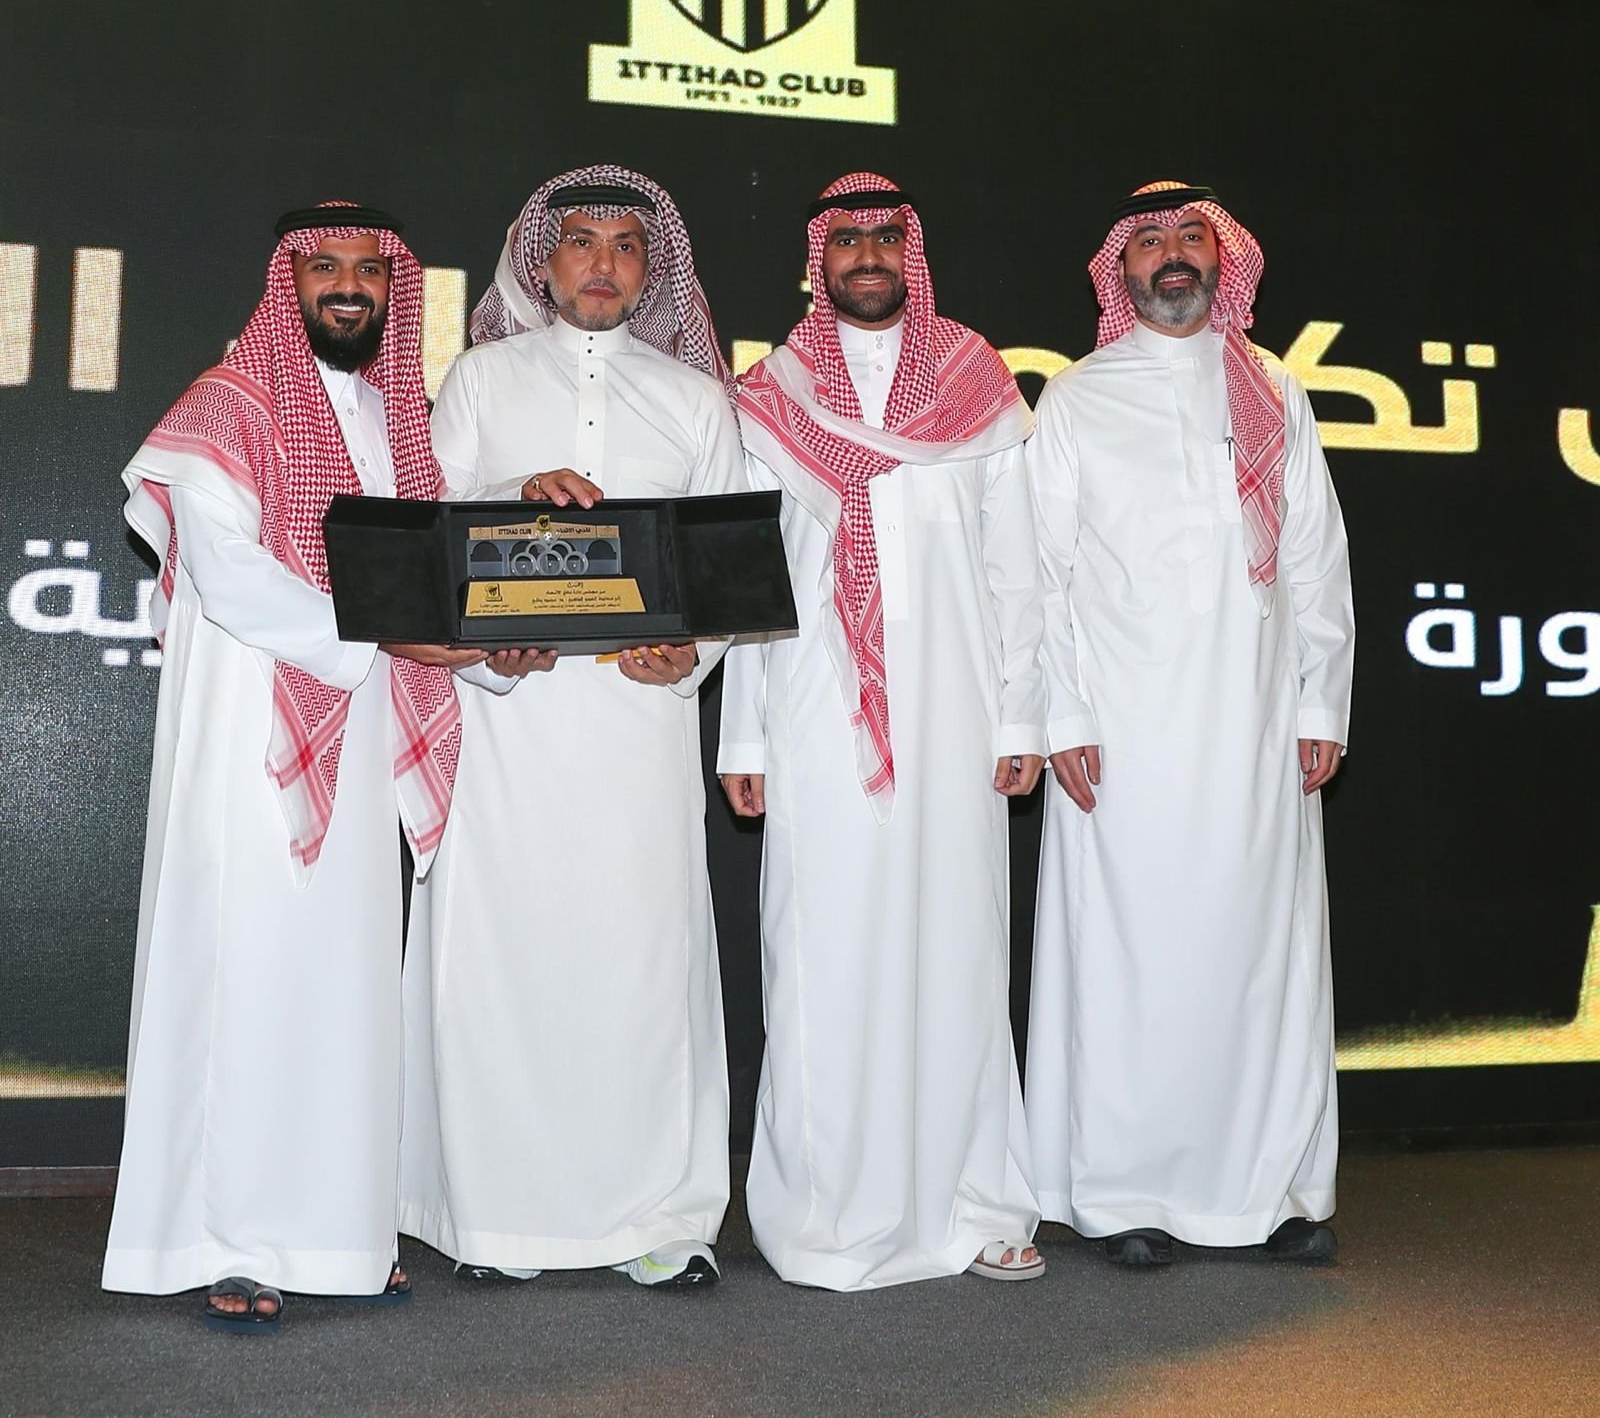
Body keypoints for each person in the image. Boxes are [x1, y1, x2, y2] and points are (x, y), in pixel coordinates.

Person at [102, 203, 494, 1333]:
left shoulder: (396, 423)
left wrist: (489, 647)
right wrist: (392, 634)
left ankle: (338, 1234)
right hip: (249, 737)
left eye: (369, 269)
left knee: (343, 986)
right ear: (290, 281)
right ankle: (225, 1237)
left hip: (355, 733)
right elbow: (228, 575)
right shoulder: (226, 405)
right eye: (325, 266)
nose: (349, 286)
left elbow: (428, 585)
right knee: (246, 974)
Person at [398, 165, 744, 1289]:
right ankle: (497, 1222)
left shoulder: (696, 401)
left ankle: (662, 1218)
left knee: (642, 967)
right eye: (582, 242)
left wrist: (692, 657)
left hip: (638, 729)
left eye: (626, 246)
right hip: (510, 724)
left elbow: (722, 573)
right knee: (504, 960)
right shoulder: (480, 380)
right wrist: (511, 503)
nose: (603, 263)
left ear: (652, 271)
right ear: (541, 263)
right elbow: (428, 545)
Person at [717, 172, 1047, 1291]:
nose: (867, 253)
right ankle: (829, 1217)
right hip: (816, 706)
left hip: (959, 711)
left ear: (912, 252)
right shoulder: (775, 395)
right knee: (826, 951)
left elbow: (1015, 567)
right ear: (819, 257)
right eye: (847, 238)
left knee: (960, 950)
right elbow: (753, 576)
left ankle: (978, 1202)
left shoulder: (976, 380)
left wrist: (1021, 711)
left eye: (885, 237)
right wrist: (745, 736)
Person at [1024, 181, 1355, 1267]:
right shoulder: (1077, 397)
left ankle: (1274, 1191)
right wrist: (1062, 710)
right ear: (1119, 269)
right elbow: (1042, 571)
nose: (1172, 256)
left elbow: (1314, 557)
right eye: (1150, 242)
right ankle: (1128, 1194)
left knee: (1262, 957)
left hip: (1256, 722)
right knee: (1131, 960)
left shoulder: (1274, 389)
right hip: (1122, 731)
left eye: (1191, 237)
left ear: (1224, 257)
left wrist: (1319, 698)